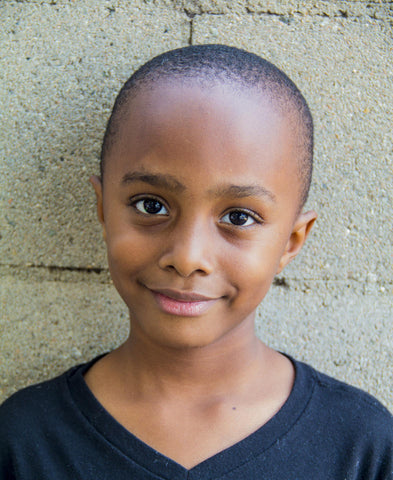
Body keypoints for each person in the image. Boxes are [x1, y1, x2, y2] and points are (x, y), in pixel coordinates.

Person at [0, 44, 392, 480]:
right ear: (104, 210)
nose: (187, 257)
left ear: (291, 241)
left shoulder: (360, 446)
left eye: (238, 217)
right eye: (151, 205)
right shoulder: (23, 442)